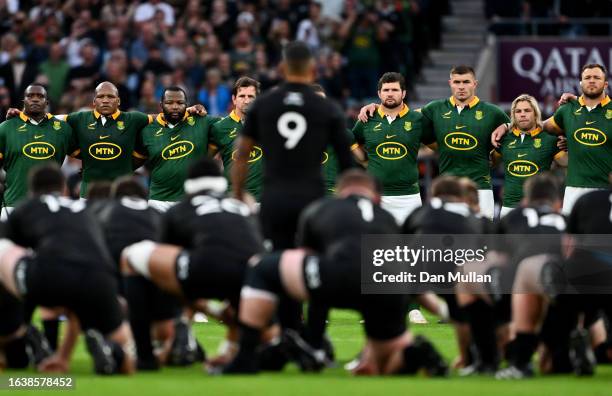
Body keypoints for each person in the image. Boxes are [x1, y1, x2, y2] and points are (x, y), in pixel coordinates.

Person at [223, 169, 448, 375]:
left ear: (340, 192)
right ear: (376, 197)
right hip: (381, 286)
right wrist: (441, 309)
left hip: (333, 277)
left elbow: (306, 257)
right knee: (384, 361)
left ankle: (273, 351)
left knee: (262, 268)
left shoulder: (321, 208)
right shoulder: (387, 218)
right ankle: (408, 355)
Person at [120, 158, 265, 365]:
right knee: (267, 331)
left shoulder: (179, 210)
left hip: (200, 271)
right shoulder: (241, 208)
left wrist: (190, 308)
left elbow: (163, 266)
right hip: (252, 280)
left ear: (189, 183)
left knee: (132, 257)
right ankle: (235, 350)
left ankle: (146, 355)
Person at [0, 164, 135, 375]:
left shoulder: (28, 207)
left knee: (5, 253)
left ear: (31, 190)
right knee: (126, 359)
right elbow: (76, 301)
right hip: (100, 278)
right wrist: (64, 357)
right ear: (64, 188)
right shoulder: (85, 211)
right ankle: (114, 352)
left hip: (49, 274)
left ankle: (16, 337)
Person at [231, 40, 354, 250]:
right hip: (313, 198)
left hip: (274, 199)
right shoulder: (327, 108)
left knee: (277, 259)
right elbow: (347, 163)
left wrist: (239, 194)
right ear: (313, 70)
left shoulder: (263, 104)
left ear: (281, 69)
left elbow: (242, 154)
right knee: (310, 260)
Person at [359, 65, 510, 219]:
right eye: (457, 82)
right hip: (446, 188)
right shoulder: (434, 108)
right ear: (450, 83)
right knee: (445, 239)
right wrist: (378, 107)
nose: (461, 87)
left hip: (481, 188)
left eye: (466, 82)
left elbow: (519, 132)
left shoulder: (493, 112)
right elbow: (401, 113)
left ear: (475, 84)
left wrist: (506, 128)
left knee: (481, 239)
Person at [492, 64, 612, 215]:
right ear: (580, 83)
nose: (592, 81)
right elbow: (536, 125)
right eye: (587, 77)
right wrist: (507, 125)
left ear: (605, 84)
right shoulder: (567, 110)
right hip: (573, 189)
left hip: (606, 188)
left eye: (597, 77)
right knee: (572, 237)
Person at [88, 176, 181, 370]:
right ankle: (175, 337)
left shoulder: (104, 210)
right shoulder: (157, 213)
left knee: (118, 313)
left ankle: (117, 347)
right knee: (163, 329)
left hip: (115, 270)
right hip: (159, 268)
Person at [352, 72, 430, 224]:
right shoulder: (366, 119)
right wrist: (364, 162)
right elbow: (352, 144)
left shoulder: (417, 120)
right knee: (377, 245)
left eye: (394, 90)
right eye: (386, 90)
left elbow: (435, 146)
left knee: (410, 246)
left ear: (404, 93)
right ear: (379, 94)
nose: (390, 94)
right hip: (376, 196)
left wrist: (417, 153)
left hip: (409, 197)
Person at [0, 84, 76, 220]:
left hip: (50, 206)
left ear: (47, 102)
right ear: (23, 100)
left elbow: (86, 154)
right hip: (13, 204)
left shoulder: (63, 129)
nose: (35, 99)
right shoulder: (6, 128)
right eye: (30, 96)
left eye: (40, 96)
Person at [138, 86, 216, 212]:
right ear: (161, 104)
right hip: (159, 201)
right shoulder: (147, 130)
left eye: (180, 103)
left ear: (187, 104)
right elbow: (134, 161)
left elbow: (229, 126)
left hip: (193, 200)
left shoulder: (202, 121)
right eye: (169, 103)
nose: (175, 107)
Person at [495, 94, 567, 217]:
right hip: (508, 207)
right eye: (518, 111)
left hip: (539, 207)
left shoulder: (550, 140)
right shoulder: (503, 139)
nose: (522, 114)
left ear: (535, 113)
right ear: (513, 115)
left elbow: (569, 163)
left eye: (527, 110)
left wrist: (571, 143)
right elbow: (490, 163)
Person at [209, 77, 263, 201]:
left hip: (264, 199)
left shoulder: (267, 124)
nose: (246, 100)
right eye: (242, 96)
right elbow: (207, 158)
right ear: (234, 99)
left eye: (251, 96)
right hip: (233, 198)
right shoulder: (219, 128)